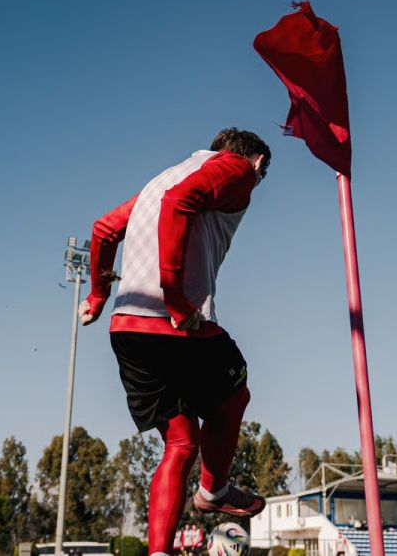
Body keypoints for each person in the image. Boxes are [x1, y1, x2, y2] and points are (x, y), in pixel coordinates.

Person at [80, 128, 273, 555]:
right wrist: (176, 298)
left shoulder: (161, 178)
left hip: (127, 328)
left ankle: (159, 551)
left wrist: (97, 295)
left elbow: (105, 229)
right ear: (257, 162)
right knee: (234, 396)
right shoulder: (237, 168)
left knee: (181, 442)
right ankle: (214, 490)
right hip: (174, 325)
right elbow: (180, 203)